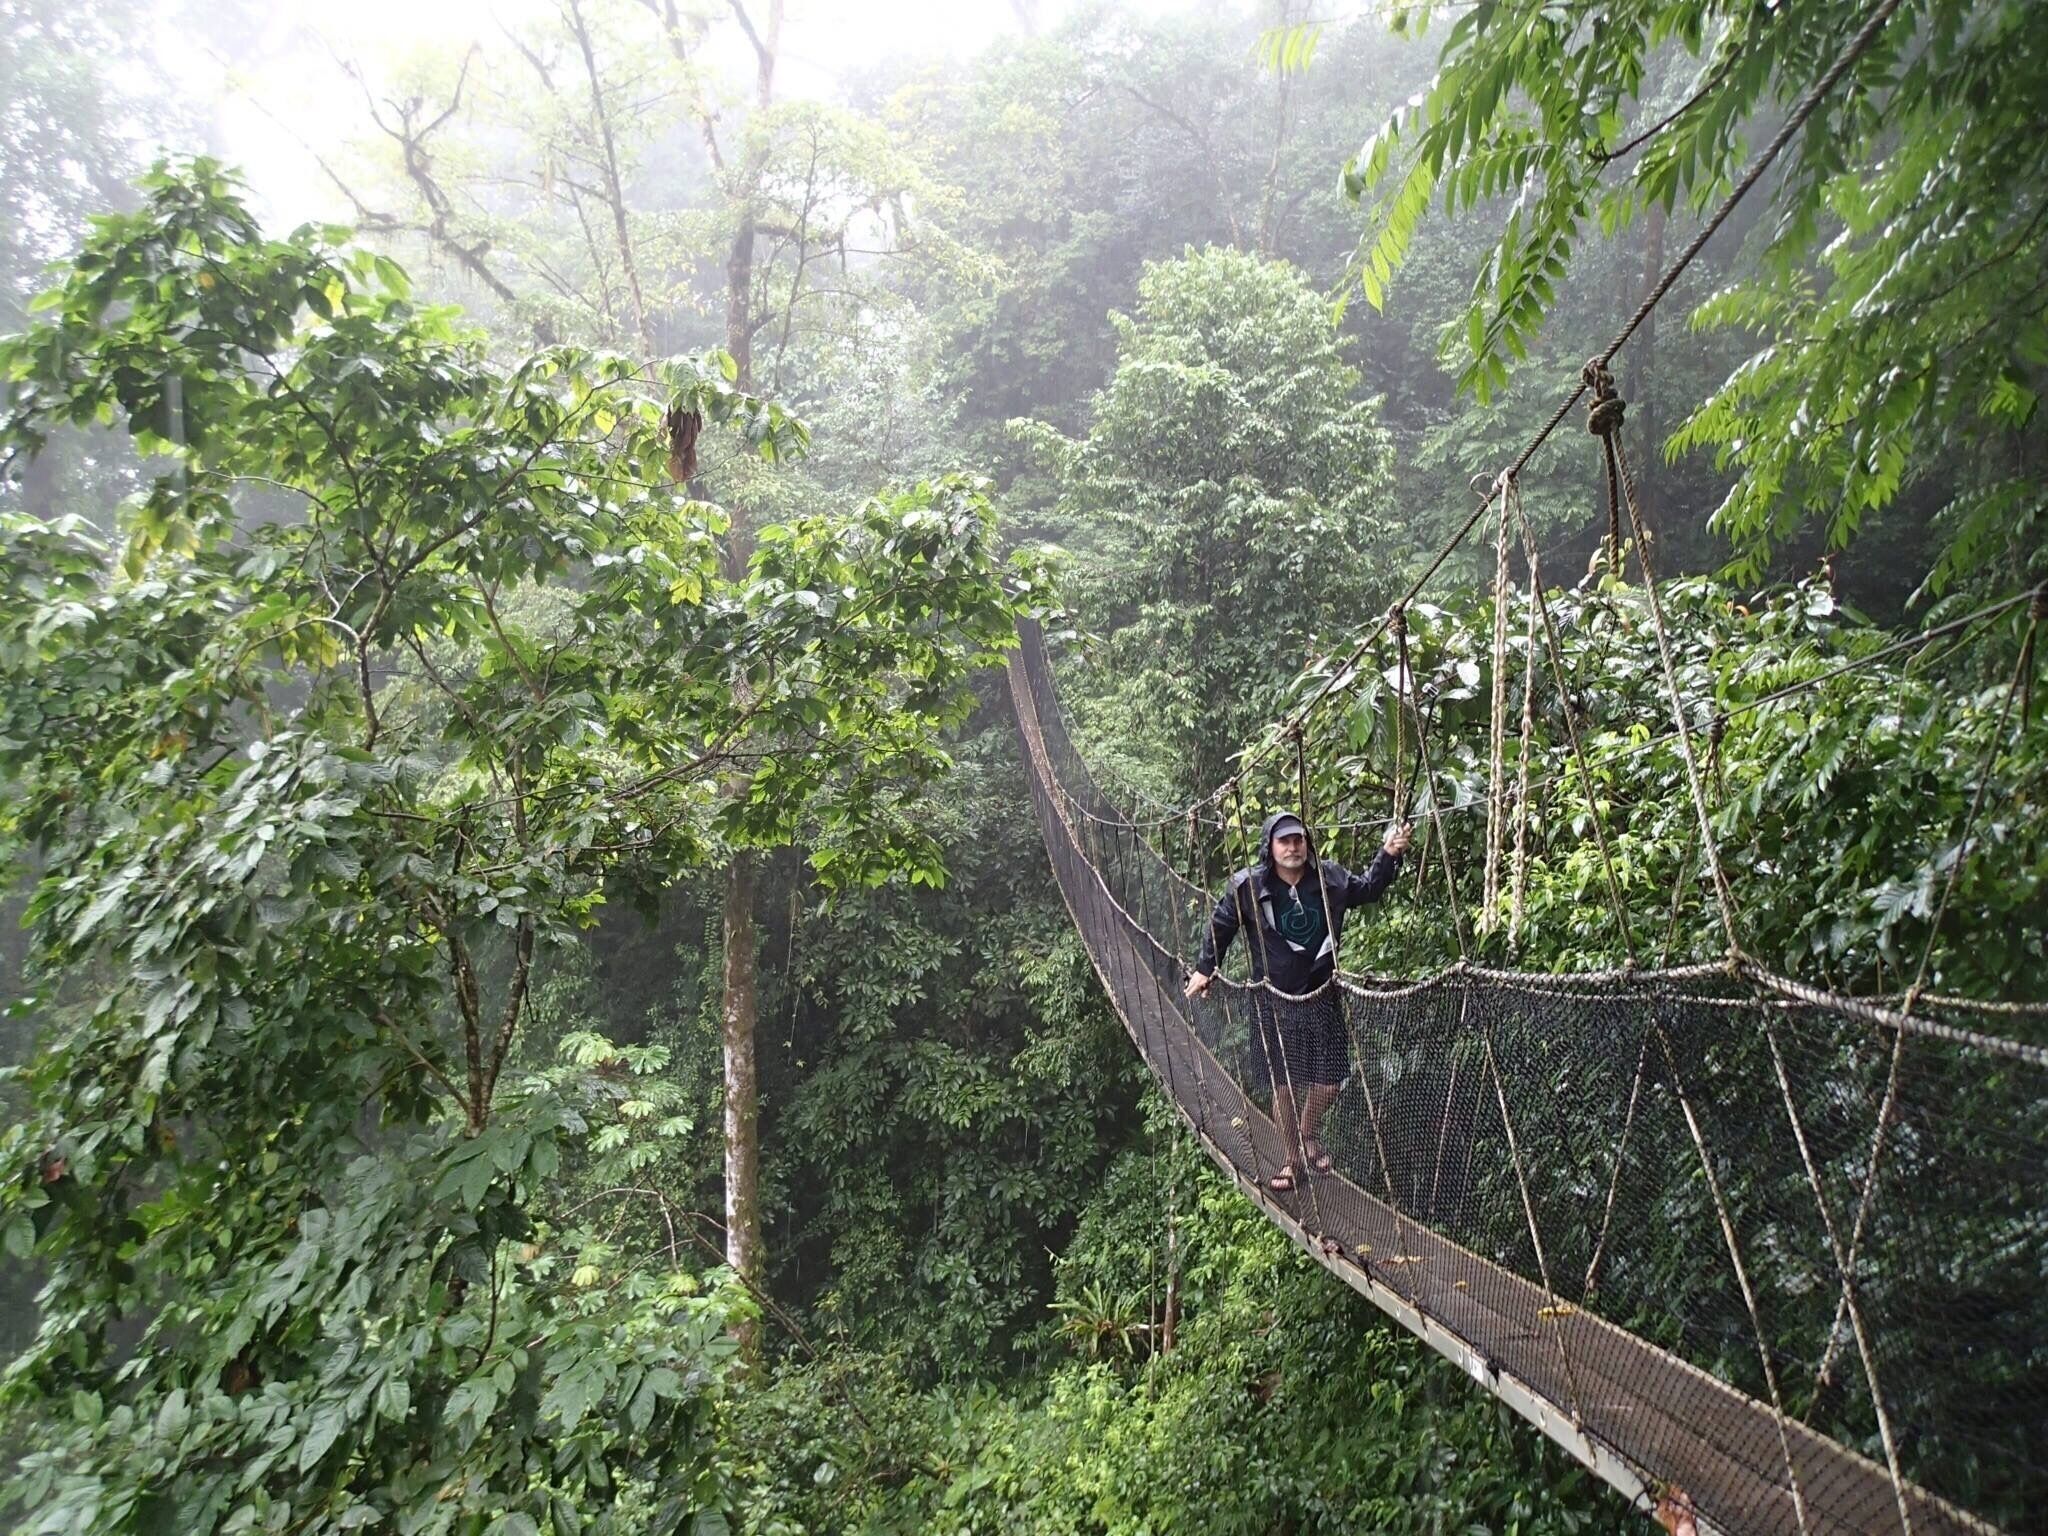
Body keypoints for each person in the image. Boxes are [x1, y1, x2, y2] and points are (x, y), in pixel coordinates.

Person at [1184, 810, 1410, 1192]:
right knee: (1283, 1086)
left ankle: (1307, 1134)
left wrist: (1388, 853)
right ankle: (1293, 1161)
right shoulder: (1247, 888)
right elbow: (1221, 926)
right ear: (1269, 848)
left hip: (1321, 993)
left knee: (1331, 1080)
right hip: (1272, 998)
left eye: (1299, 839)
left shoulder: (1330, 879)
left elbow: (1368, 889)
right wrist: (1205, 968)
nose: (1293, 847)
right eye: (1284, 840)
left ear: (1307, 843)